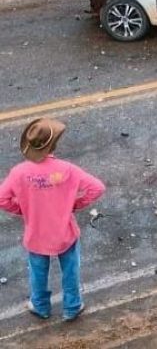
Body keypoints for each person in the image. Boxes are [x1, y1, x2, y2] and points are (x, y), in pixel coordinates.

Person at [0, 118, 106, 321]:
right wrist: (74, 205)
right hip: (65, 234)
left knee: (38, 274)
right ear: (54, 144)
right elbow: (97, 187)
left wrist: (23, 209)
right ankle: (72, 307)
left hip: (36, 236)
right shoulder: (67, 169)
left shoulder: (19, 173)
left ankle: (40, 306)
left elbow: (2, 198)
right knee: (70, 272)